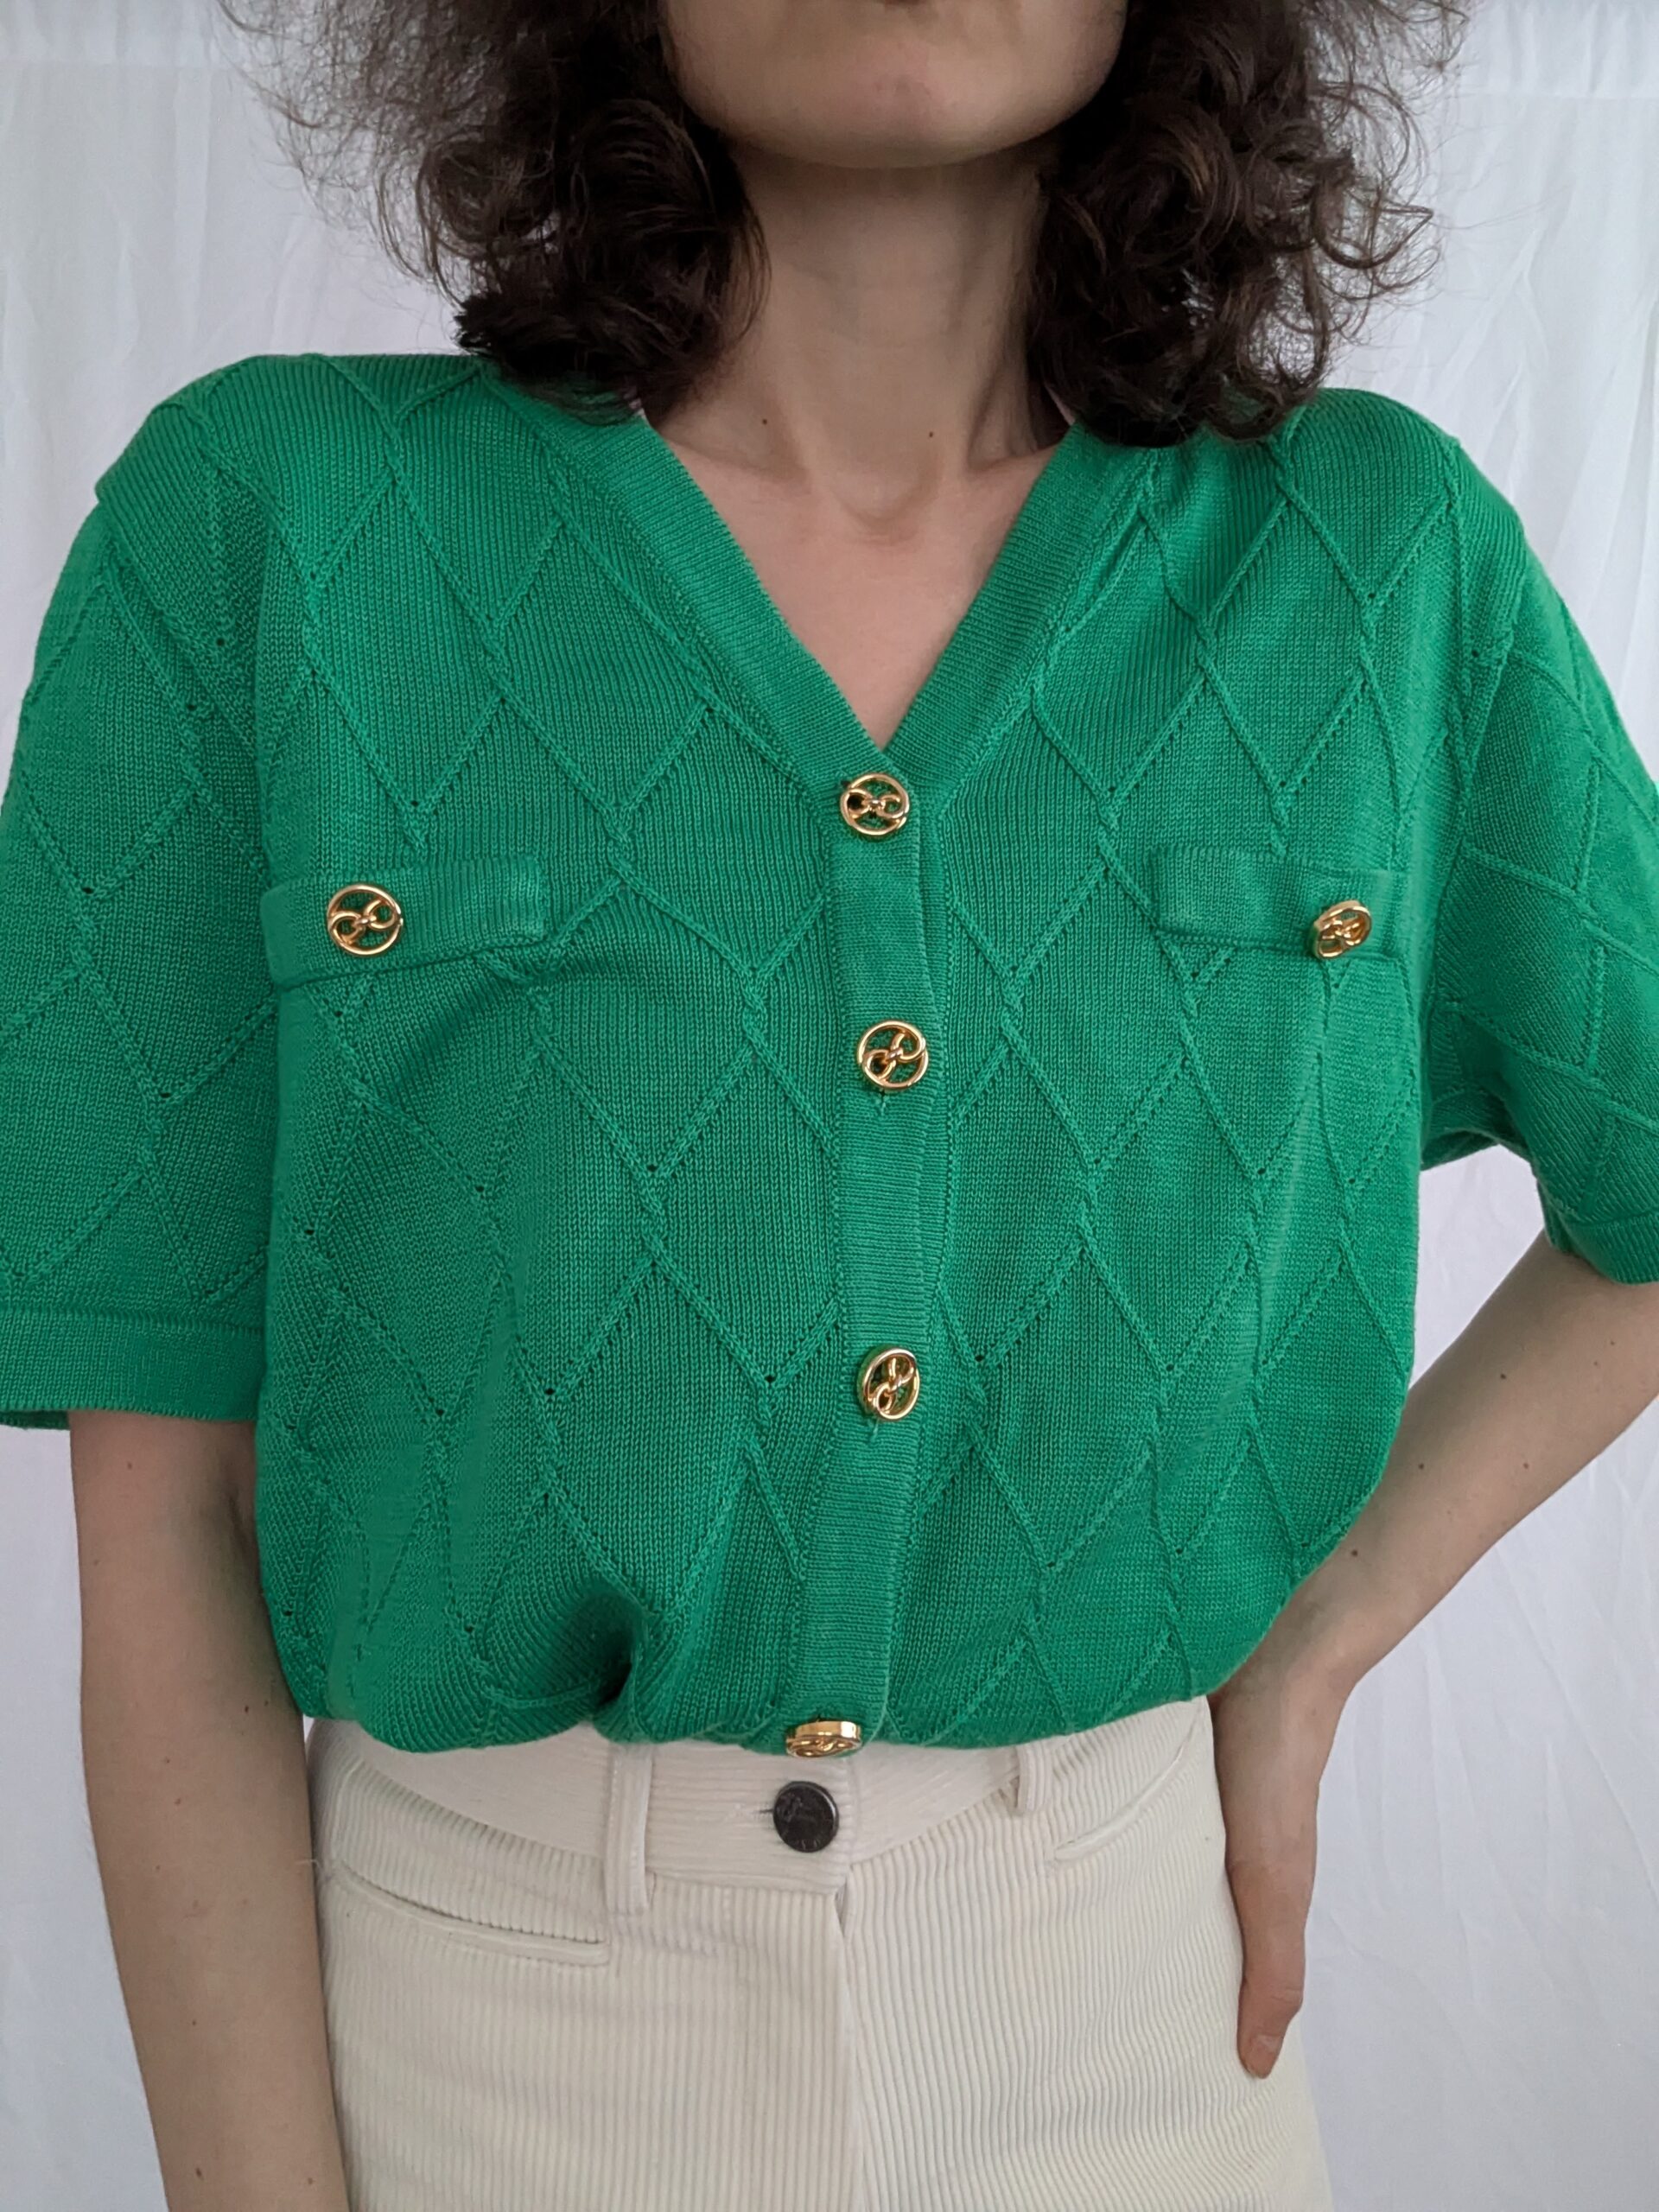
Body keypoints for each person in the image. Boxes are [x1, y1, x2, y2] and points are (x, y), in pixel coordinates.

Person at [4, 1, 1659, 2206]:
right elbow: (164, 1526)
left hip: (1137, 2029)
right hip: (474, 2045)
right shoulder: (267, 529)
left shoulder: (1373, 563)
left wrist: (1323, 1631)